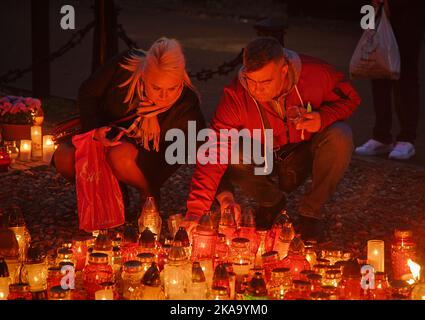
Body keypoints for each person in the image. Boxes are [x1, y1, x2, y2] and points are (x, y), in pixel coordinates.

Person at [184, 37, 360, 242]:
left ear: (284, 70)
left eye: (265, 82)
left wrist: (323, 118)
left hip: (303, 152)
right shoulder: (236, 95)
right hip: (263, 158)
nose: (257, 90)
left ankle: (311, 212)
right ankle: (271, 202)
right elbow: (215, 149)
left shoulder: (317, 74)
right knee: (228, 149)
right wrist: (196, 212)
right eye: (251, 80)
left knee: (340, 135)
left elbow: (351, 99)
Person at [53, 37, 206, 223]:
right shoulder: (124, 67)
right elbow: (88, 93)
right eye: (156, 87)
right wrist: (97, 128)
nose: (164, 96)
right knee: (65, 156)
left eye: (172, 88)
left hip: (151, 157)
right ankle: (113, 197)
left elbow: (202, 149)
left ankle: (149, 197)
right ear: (144, 75)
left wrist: (223, 195)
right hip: (107, 135)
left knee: (120, 155)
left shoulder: (186, 104)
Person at [355, 0, 424, 160]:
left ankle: (406, 136)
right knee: (376, 66)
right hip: (374, 7)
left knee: (404, 71)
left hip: (406, 11)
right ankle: (381, 134)